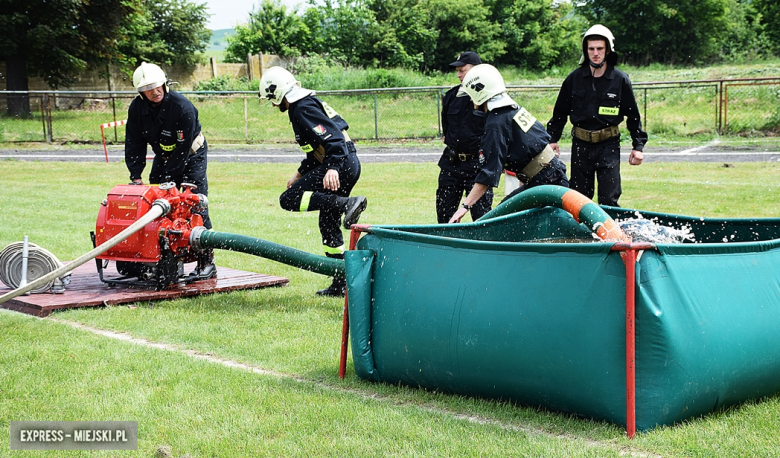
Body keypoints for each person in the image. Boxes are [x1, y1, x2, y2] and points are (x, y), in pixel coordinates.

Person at [259, 66, 367, 297]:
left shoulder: (302, 107)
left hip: (341, 163)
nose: (272, 104)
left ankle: (347, 204)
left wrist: (333, 167)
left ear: (278, 92)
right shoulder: (303, 104)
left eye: (271, 98)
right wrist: (300, 174)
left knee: (288, 199)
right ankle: (341, 282)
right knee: (328, 223)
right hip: (344, 162)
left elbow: (334, 137)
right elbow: (314, 149)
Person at [124, 62, 216, 280]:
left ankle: (207, 262)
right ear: (140, 91)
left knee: (194, 203)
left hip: (191, 155)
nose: (155, 91)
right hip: (164, 156)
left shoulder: (183, 108)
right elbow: (134, 143)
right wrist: (135, 176)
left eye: (158, 86)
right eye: (149, 88)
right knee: (154, 205)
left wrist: (169, 182)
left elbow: (182, 151)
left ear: (165, 84)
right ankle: (162, 259)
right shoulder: (136, 109)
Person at [449, 64, 569, 224]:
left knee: (499, 223)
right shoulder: (513, 110)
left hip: (545, 181)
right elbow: (536, 145)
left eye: (471, 95)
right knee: (506, 219)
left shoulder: (495, 124)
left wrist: (464, 207)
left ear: (480, 93)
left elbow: (488, 174)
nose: (471, 100)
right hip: (552, 175)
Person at [546, 24, 647, 207]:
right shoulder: (574, 79)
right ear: (585, 50)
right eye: (591, 49)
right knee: (578, 200)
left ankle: (609, 236)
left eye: (600, 48)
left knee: (608, 200)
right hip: (580, 145)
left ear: (608, 50)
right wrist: (552, 138)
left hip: (608, 146)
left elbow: (633, 115)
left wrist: (638, 146)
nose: (595, 53)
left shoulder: (620, 80)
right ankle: (580, 236)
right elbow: (560, 112)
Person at [437, 51, 493, 223]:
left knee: (481, 219)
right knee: (445, 216)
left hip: (477, 165)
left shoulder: (489, 97)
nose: (459, 75)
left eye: (463, 70)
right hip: (451, 164)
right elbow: (447, 130)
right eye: (458, 71)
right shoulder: (451, 96)